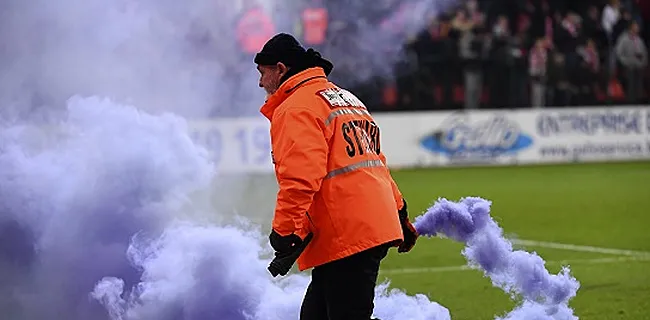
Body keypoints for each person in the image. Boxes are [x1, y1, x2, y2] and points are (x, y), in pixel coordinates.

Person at [254, 33, 420, 319]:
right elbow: (373, 163)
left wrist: (284, 231)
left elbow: (301, 178)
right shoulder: (345, 98)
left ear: (280, 69)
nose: (260, 83)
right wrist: (399, 212)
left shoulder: (295, 108)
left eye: (262, 72)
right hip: (361, 228)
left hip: (349, 233)